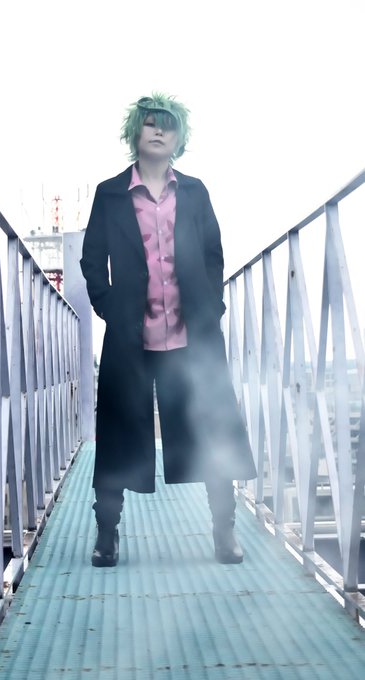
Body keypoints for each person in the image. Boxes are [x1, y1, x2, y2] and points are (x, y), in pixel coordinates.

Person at [80, 92, 256, 568]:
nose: (159, 130)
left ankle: (224, 530)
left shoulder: (195, 191)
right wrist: (109, 307)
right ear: (135, 131)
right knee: (118, 432)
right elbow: (92, 259)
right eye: (151, 122)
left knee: (210, 427)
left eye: (169, 125)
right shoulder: (110, 193)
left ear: (179, 138)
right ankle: (107, 533)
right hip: (130, 337)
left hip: (191, 336)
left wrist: (211, 307)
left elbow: (214, 253)